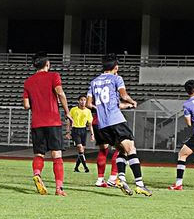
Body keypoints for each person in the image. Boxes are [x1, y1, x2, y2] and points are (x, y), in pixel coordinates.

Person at [87, 53, 151, 197]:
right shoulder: (117, 78)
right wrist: (133, 102)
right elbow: (124, 95)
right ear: (116, 67)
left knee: (121, 150)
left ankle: (121, 178)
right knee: (131, 148)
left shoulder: (94, 81)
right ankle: (140, 184)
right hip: (115, 120)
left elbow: (88, 104)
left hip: (102, 124)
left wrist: (102, 109)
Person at [22, 52, 73, 196]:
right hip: (53, 121)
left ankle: (37, 174)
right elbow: (60, 93)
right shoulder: (53, 76)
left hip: (37, 123)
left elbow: (26, 105)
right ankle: (59, 188)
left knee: (39, 153)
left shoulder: (28, 82)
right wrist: (67, 112)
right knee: (57, 155)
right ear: (47, 64)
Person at [67, 95, 95, 173]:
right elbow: (69, 121)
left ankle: (76, 168)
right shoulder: (73, 110)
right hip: (75, 130)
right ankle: (86, 167)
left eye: (84, 100)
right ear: (78, 101)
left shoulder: (88, 111)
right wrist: (68, 132)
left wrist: (92, 134)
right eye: (81, 100)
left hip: (83, 130)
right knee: (80, 148)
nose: (83, 102)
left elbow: (90, 124)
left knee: (81, 151)